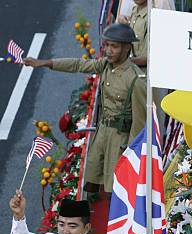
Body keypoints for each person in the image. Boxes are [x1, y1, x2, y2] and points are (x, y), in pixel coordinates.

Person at [23, 24, 146, 193]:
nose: (108, 50)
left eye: (114, 46)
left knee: (116, 188)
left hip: (120, 140)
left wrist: (132, 154)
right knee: (92, 178)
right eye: (106, 45)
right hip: (102, 132)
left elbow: (139, 124)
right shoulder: (105, 65)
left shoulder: (135, 79)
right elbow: (78, 64)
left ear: (127, 48)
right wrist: (45, 63)